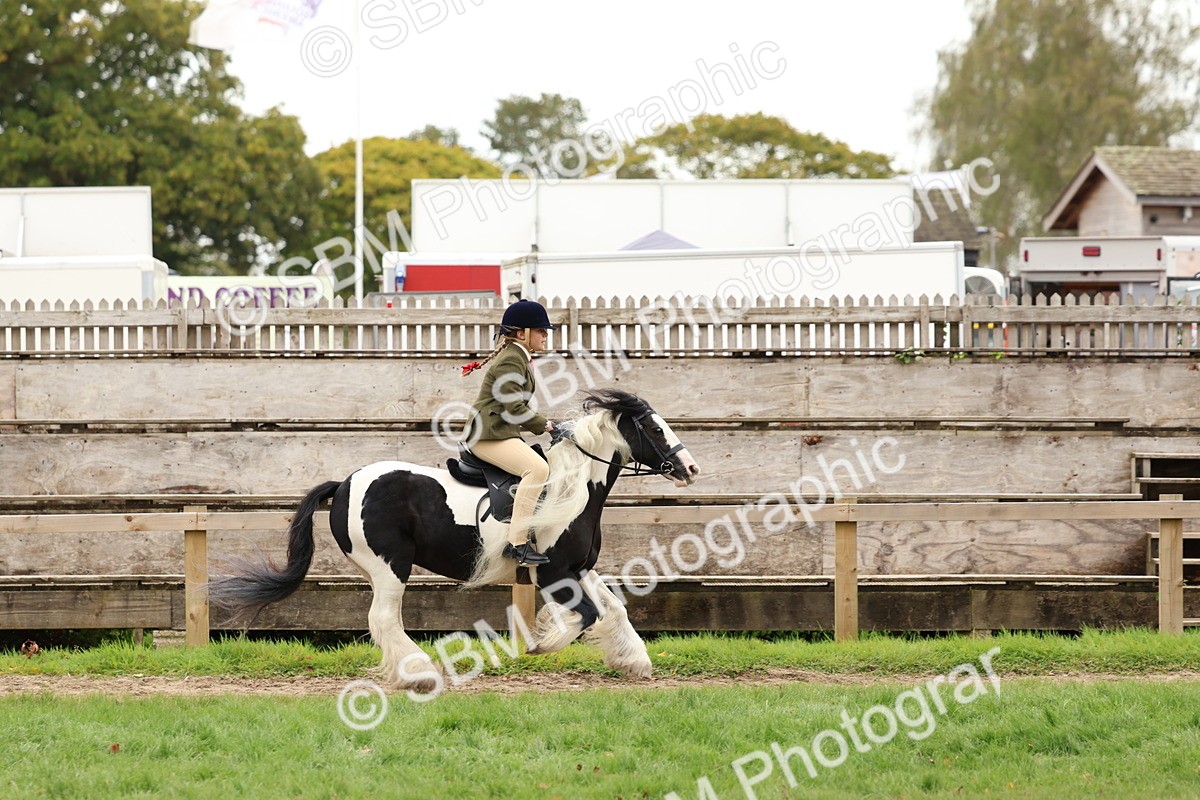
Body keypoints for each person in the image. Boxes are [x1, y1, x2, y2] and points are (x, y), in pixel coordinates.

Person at [461, 300, 558, 566]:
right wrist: (547, 426)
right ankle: (518, 544)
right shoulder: (512, 359)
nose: (545, 335)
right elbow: (513, 407)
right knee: (537, 470)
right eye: (540, 330)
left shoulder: (519, 357)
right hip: (487, 435)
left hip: (500, 431)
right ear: (521, 333)